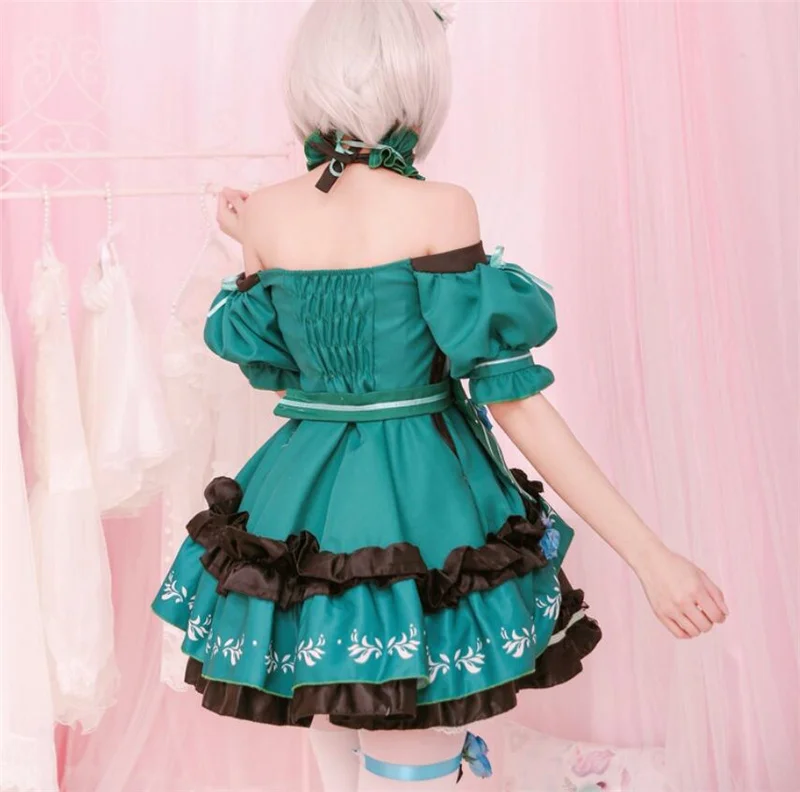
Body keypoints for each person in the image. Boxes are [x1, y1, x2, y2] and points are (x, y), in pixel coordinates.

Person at [153, 2, 728, 788]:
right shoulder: (438, 207)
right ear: (416, 81)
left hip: (300, 503)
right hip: (425, 506)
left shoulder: (267, 214)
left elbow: (285, 369)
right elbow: (514, 400)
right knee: (409, 754)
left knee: (335, 740)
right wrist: (651, 558)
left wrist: (247, 244)